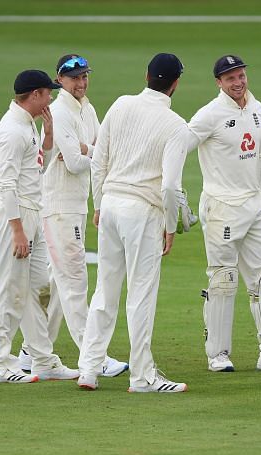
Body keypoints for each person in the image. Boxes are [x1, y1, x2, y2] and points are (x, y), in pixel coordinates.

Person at [186, 55, 261, 372]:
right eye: (230, 79)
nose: (238, 83)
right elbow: (178, 145)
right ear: (219, 83)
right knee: (223, 280)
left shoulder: (257, 108)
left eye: (241, 76)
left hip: (255, 208)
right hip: (222, 209)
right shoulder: (209, 116)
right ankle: (218, 354)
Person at [77, 53, 190, 393]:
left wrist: (99, 203)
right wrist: (170, 226)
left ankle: (88, 369)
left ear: (147, 75)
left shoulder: (121, 104)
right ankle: (142, 376)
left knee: (105, 290)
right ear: (175, 84)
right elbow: (170, 185)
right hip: (142, 211)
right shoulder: (176, 126)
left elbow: (100, 159)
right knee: (140, 294)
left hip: (111, 203)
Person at [17, 54, 128, 378]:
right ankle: (94, 357)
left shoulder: (88, 108)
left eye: (84, 76)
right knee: (75, 281)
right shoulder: (60, 111)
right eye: (74, 78)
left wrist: (87, 152)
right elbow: (77, 161)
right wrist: (88, 152)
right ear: (60, 80)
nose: (80, 83)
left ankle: (32, 352)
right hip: (58, 206)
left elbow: (95, 154)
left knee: (59, 281)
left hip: (76, 205)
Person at [0, 69, 79, 383]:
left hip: (31, 213)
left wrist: (48, 136)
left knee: (38, 285)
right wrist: (17, 230)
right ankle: (0, 364)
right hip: (16, 215)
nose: (51, 99)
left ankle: (42, 359)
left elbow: (37, 167)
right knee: (8, 289)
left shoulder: (28, 125)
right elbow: (7, 184)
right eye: (48, 93)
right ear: (35, 94)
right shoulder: (12, 130)